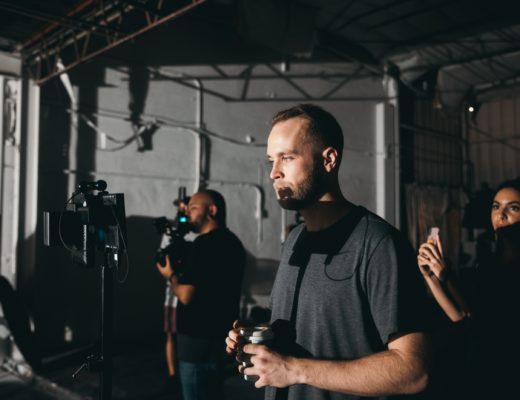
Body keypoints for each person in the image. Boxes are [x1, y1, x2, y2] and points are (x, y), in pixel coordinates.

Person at [226, 104, 431, 400]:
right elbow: (317, 331)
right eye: (271, 160)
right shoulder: (295, 240)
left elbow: (414, 370)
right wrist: (260, 336)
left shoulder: (378, 243)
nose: (273, 173)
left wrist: (296, 370)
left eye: (287, 157)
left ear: (329, 160)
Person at [417, 177, 520, 399]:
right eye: (496, 207)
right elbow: (462, 317)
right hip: (478, 370)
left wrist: (445, 273)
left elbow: (476, 310)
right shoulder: (487, 263)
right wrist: (431, 277)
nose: (500, 215)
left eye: (513, 208)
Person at [157, 189, 245, 400]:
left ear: (211, 210)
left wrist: (170, 276)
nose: (188, 212)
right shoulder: (234, 243)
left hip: (196, 346)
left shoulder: (203, 244)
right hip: (220, 342)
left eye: (194, 207)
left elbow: (186, 294)